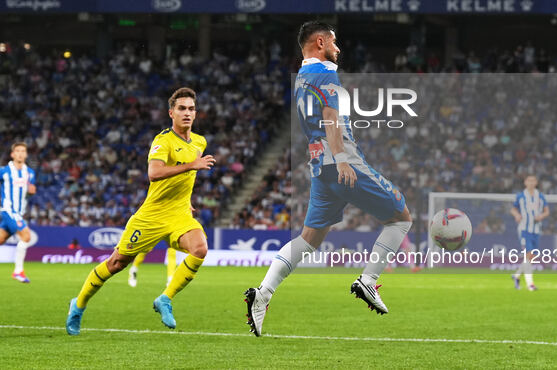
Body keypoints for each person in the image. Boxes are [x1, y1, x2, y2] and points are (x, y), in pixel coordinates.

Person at [244, 21, 412, 336]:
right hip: (340, 162)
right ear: (320, 42)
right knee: (402, 218)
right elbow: (330, 117)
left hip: (320, 167)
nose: (339, 48)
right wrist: (344, 159)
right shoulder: (325, 72)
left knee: (310, 239)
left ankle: (263, 294)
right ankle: (368, 281)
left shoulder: (302, 77)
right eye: (335, 42)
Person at [66, 87, 216, 335]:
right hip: (152, 216)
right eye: (181, 108)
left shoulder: (199, 142)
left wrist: (186, 198)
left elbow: (186, 177)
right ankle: (78, 304)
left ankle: (164, 299)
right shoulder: (163, 141)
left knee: (200, 248)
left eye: (191, 109)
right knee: (115, 264)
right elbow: (154, 173)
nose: (187, 113)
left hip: (179, 214)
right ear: (171, 113)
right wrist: (192, 164)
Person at [0, 142, 37, 283]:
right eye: (17, 151)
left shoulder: (30, 173)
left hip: (19, 212)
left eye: (23, 151)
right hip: (9, 210)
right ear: (12, 154)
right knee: (26, 237)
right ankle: (18, 271)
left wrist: (30, 193)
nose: (20, 153)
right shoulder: (4, 171)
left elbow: (29, 193)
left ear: (26, 154)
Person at [510, 175, 549, 291]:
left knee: (532, 256)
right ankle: (530, 284)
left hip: (536, 229)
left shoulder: (540, 196)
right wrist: (517, 215)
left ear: (536, 182)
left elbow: (547, 211)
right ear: (525, 182)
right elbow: (513, 209)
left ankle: (517, 276)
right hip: (524, 229)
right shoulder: (521, 196)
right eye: (529, 181)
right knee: (528, 254)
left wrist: (541, 216)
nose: (531, 183)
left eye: (533, 180)